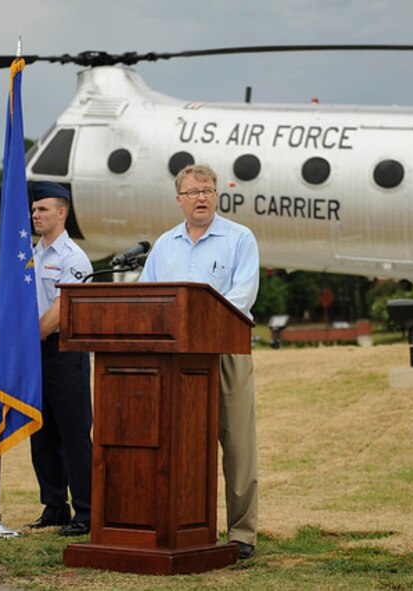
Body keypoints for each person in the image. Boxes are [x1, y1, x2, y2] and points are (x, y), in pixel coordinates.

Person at [139, 163, 260, 560]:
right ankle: (184, 528)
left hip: (225, 353)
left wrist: (200, 324)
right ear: (179, 200)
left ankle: (242, 535)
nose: (201, 197)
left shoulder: (239, 239)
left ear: (217, 195)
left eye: (207, 190)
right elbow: (147, 298)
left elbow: (243, 294)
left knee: (238, 445)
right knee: (181, 446)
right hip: (175, 360)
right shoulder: (164, 245)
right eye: (192, 192)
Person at [25, 181, 94, 537]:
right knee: (42, 432)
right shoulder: (30, 254)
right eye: (34, 209)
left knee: (73, 434)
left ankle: (86, 510)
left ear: (62, 212)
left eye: (43, 209)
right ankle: (54, 506)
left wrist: (27, 336)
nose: (36, 214)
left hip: (64, 351)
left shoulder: (73, 258)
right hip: (33, 352)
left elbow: (62, 307)